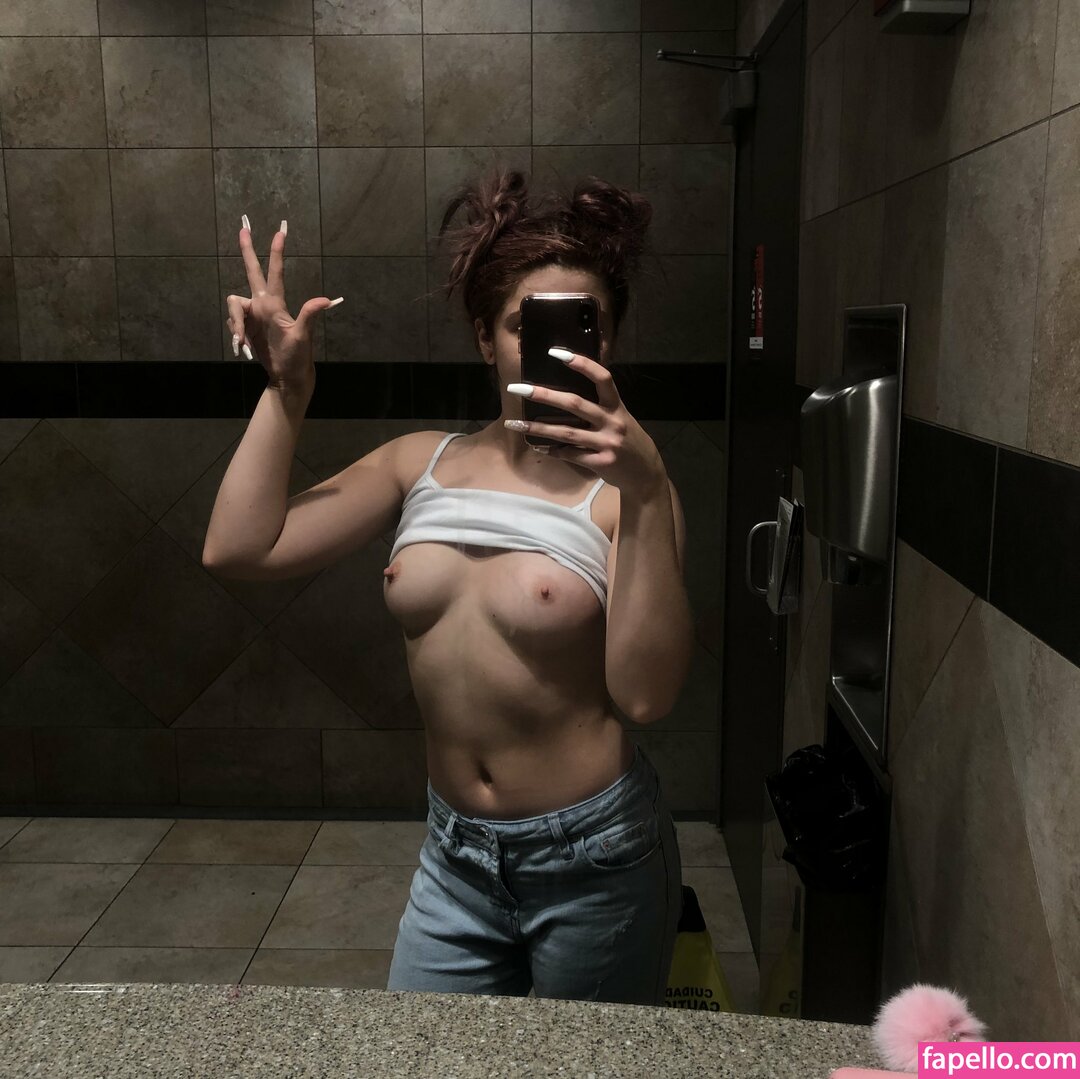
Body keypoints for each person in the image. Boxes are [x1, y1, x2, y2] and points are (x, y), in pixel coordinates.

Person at [203, 170, 694, 1005]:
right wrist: (287, 392)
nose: (553, 350)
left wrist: (646, 488)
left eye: (584, 326)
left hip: (596, 858)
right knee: (420, 1056)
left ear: (606, 343)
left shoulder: (627, 496)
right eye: (523, 325)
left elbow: (646, 697)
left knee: (580, 1069)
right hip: (456, 858)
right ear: (485, 339)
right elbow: (239, 548)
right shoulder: (417, 462)